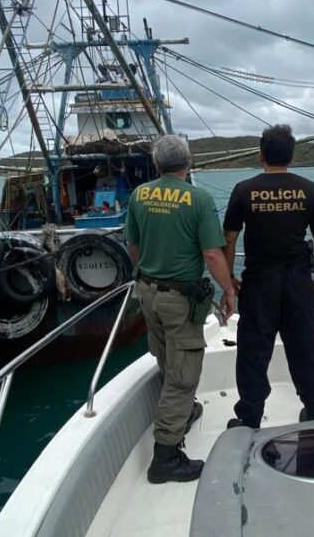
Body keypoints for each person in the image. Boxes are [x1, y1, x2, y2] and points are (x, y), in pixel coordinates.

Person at [125, 134, 236, 484]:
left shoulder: (139, 195)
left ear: (156, 164)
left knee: (165, 359)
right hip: (179, 298)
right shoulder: (199, 199)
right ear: (189, 162)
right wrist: (229, 289)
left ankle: (184, 412)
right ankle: (166, 458)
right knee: (183, 374)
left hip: (147, 291)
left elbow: (133, 245)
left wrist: (144, 276)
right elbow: (212, 254)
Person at [223, 124, 314, 429]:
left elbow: (229, 238)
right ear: (291, 156)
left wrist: (229, 277)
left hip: (259, 282)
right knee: (306, 346)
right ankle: (313, 407)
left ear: (261, 155)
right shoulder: (309, 189)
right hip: (298, 280)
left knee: (254, 350)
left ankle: (250, 416)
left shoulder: (244, 190)